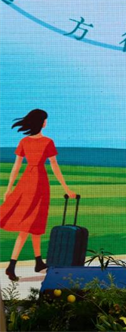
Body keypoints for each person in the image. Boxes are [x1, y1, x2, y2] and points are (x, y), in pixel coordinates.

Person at [0, 109, 76, 281]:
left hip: (27, 182)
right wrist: (66, 188)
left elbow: (16, 167)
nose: (46, 122)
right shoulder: (47, 142)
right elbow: (54, 166)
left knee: (36, 224)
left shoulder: (24, 141)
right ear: (41, 122)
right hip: (38, 184)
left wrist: (9, 188)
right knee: (27, 226)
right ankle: (11, 265)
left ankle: (38, 262)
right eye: (45, 120)